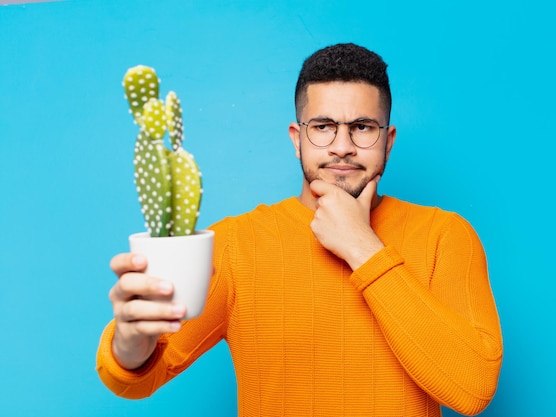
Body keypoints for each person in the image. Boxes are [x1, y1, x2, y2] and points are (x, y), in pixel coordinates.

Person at [97, 43, 503, 416]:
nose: (342, 145)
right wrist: (131, 344)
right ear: (297, 139)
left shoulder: (444, 235)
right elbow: (142, 378)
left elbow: (472, 389)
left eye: (362, 127)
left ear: (388, 140)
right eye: (323, 126)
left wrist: (363, 248)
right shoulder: (237, 245)